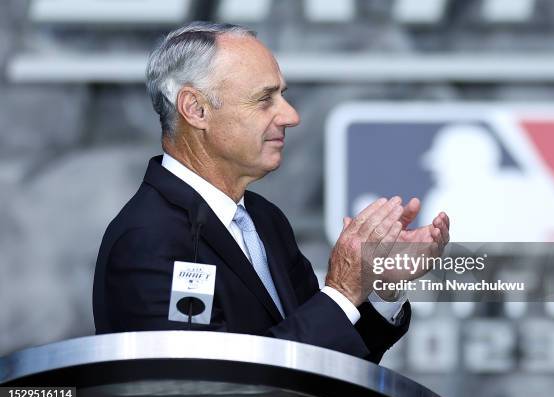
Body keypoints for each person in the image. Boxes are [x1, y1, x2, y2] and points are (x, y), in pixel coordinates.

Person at [92, 21, 450, 364]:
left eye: (283, 96)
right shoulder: (148, 238)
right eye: (265, 100)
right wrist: (341, 292)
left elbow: (331, 358)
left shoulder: (265, 220)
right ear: (195, 109)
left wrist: (379, 286)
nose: (291, 116)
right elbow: (207, 384)